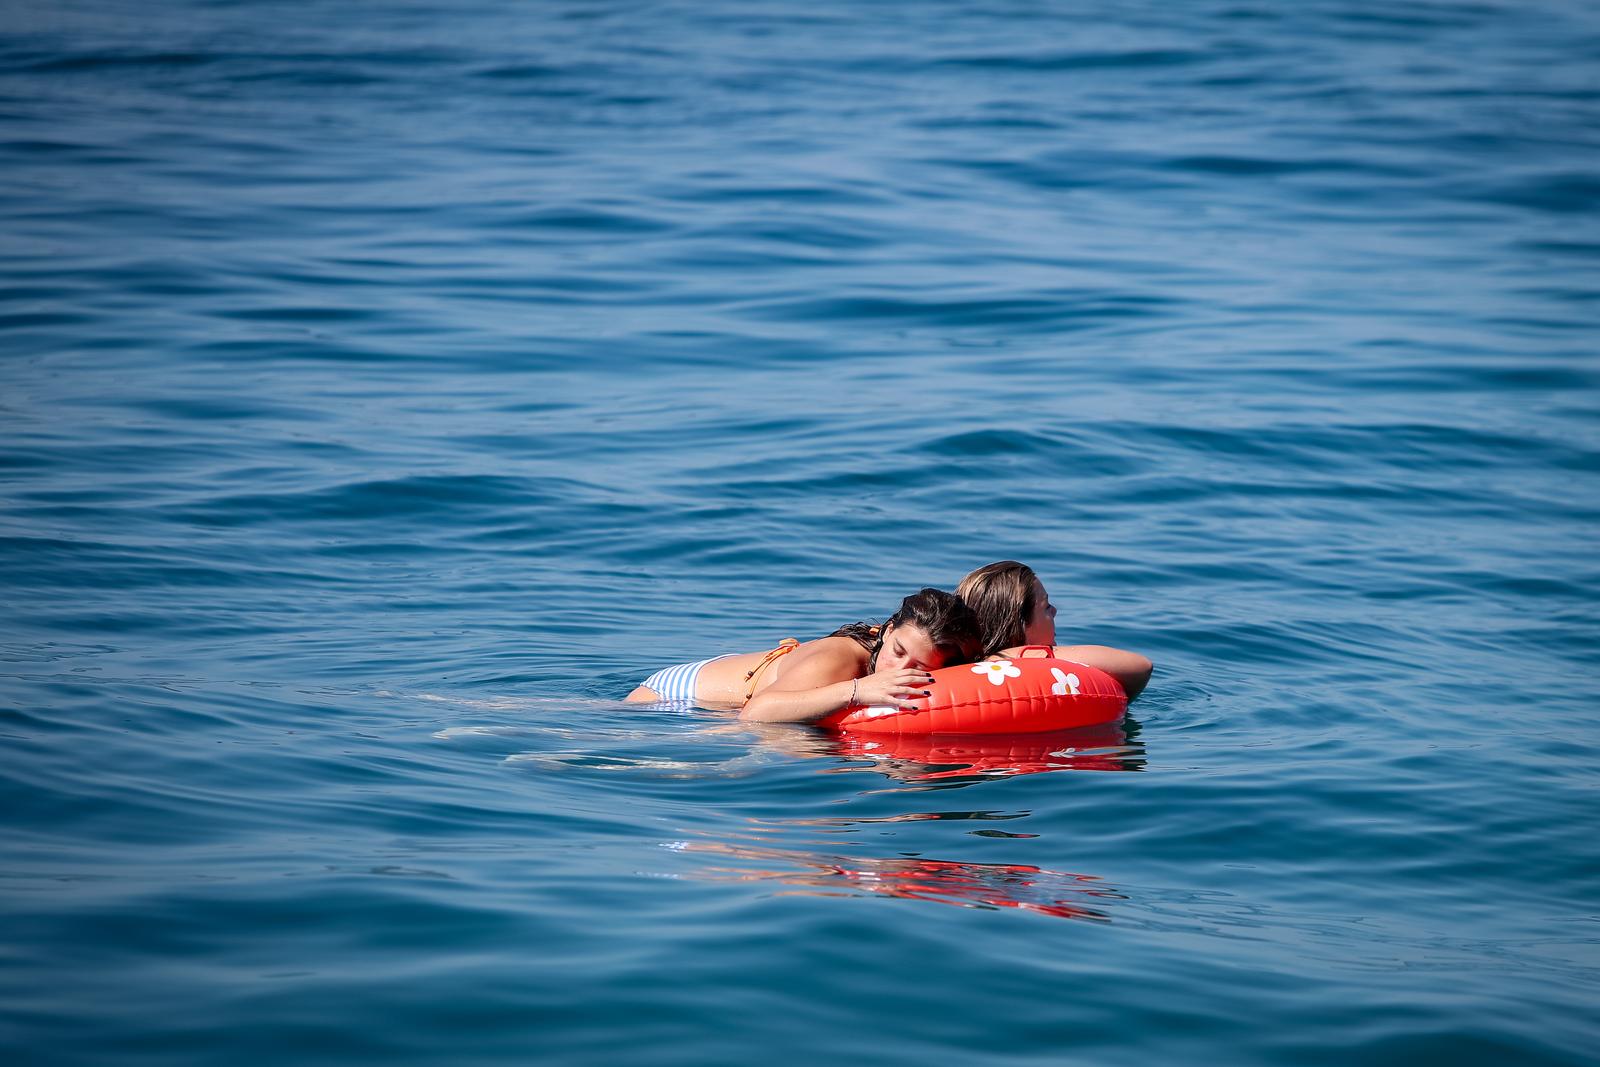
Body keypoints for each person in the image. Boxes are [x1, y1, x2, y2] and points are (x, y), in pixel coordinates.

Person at [625, 588, 984, 724]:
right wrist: (858, 690)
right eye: (898, 652)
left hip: (726, 692)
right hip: (673, 697)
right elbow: (758, 712)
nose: (898, 669)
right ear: (888, 631)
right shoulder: (839, 658)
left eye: (918, 668)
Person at [956, 560, 1153, 700]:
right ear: (1020, 625)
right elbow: (1141, 666)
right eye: (1046, 606)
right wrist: (1032, 653)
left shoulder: (952, 668)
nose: (1055, 611)